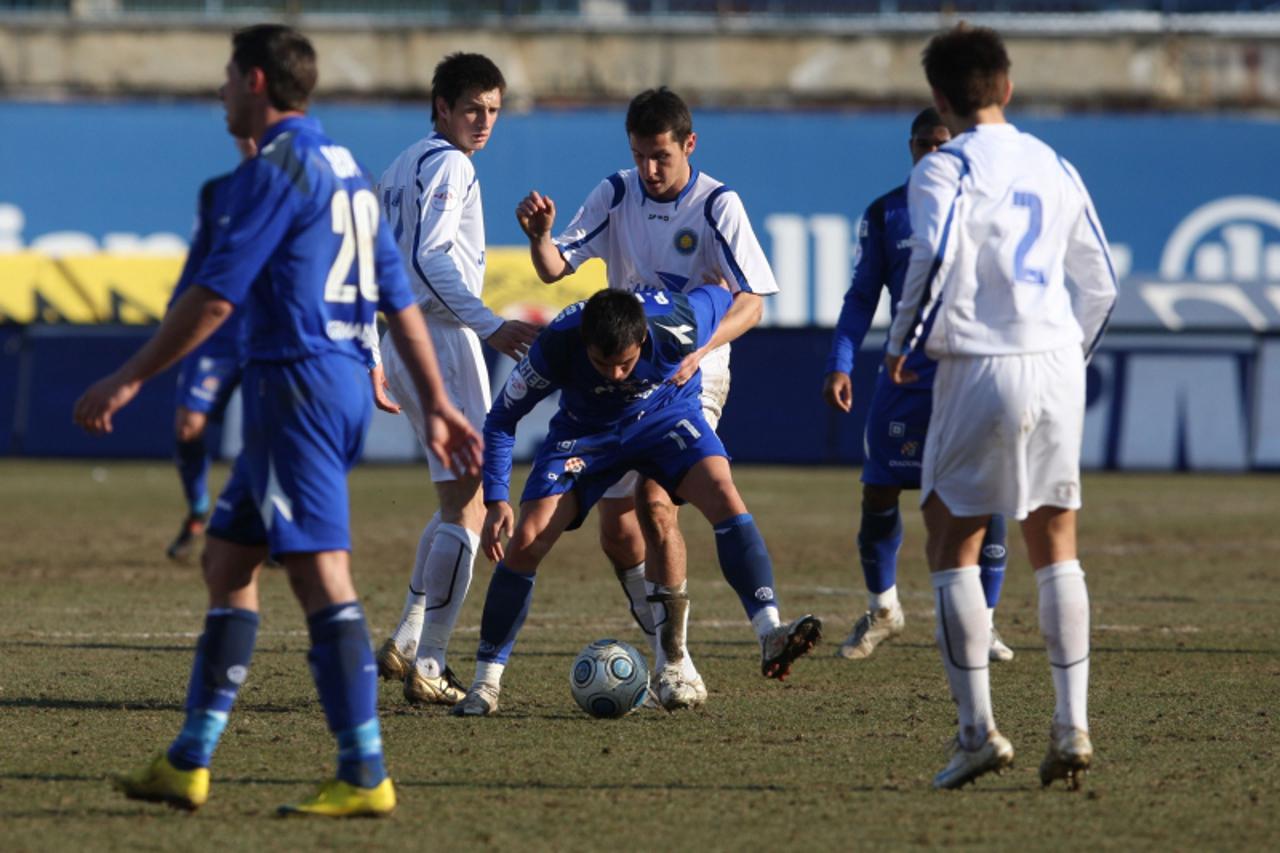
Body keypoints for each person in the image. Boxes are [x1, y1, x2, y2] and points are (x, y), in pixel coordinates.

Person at [73, 24, 482, 817]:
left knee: (319, 575)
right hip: (315, 385)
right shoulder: (348, 169)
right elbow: (395, 298)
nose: (221, 90)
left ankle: (364, 772)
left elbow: (215, 297)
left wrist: (127, 379)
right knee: (228, 562)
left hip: (294, 384)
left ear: (256, 82)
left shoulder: (275, 171)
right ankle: (190, 759)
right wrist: (434, 403)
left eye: (229, 75)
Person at [515, 87, 819, 710]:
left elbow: (752, 300)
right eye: (640, 155)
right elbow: (554, 268)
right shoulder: (616, 193)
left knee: (659, 504)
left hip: (689, 374)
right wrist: (540, 236)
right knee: (617, 530)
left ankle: (705, 652)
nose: (651, 170)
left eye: (661, 156)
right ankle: (664, 647)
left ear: (689, 145)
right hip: (619, 376)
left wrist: (701, 353)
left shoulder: (717, 205)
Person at [884, 24, 1117, 790]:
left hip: (980, 359)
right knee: (1056, 538)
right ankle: (1072, 723)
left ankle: (978, 729)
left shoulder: (942, 168)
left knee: (949, 535)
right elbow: (1103, 282)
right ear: (1007, 87)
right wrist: (1063, 357)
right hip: (1056, 361)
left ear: (940, 100)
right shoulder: (1053, 162)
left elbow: (939, 254)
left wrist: (903, 346)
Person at [451, 285, 819, 717]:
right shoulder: (555, 344)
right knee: (527, 540)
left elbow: (740, 299)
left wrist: (701, 353)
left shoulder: (681, 317)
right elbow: (500, 420)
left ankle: (769, 630)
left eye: (625, 363)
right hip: (585, 435)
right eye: (602, 364)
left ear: (643, 339)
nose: (616, 375)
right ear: (584, 343)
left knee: (722, 489)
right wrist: (496, 499)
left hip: (665, 419)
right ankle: (485, 685)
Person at [371, 53, 539, 708]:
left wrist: (373, 348)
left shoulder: (398, 167)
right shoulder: (450, 164)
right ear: (441, 105)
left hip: (403, 336)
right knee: (470, 506)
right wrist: (488, 322)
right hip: (440, 335)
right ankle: (432, 657)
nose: (485, 121)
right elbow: (430, 255)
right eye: (473, 107)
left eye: (494, 109)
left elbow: (382, 258)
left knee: (454, 504)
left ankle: (410, 638)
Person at [823, 108, 1013, 664]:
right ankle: (884, 609)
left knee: (989, 490)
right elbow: (862, 297)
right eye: (923, 145)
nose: (933, 155)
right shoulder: (887, 213)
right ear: (910, 148)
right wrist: (840, 361)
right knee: (879, 489)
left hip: (972, 374)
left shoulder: (986, 209)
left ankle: (984, 622)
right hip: (905, 376)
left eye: (943, 145)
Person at [163, 137, 256, 561]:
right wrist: (175, 319)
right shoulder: (217, 191)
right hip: (214, 333)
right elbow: (197, 261)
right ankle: (198, 509)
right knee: (188, 427)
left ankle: (270, 526)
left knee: (270, 435)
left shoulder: (297, 186)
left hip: (267, 332)